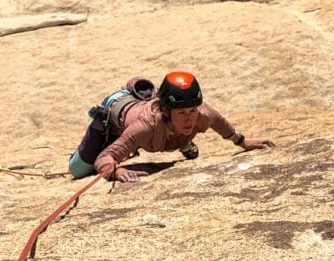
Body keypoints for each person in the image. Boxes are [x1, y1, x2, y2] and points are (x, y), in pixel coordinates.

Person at [69, 71, 275, 182]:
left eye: (192, 111)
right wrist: (115, 172)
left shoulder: (202, 113)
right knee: (78, 170)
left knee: (185, 128)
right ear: (166, 112)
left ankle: (179, 141)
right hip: (112, 120)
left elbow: (219, 122)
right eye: (182, 113)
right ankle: (179, 141)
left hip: (159, 130)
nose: (190, 119)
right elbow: (103, 159)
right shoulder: (144, 127)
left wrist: (242, 142)